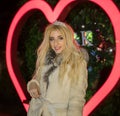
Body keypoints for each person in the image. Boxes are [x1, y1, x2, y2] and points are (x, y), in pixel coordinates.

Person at [27, 21, 88, 116]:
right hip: (37, 111)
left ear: (67, 39)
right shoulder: (45, 58)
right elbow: (36, 79)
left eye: (60, 38)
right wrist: (33, 85)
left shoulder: (77, 63)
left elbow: (76, 100)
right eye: (52, 39)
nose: (56, 43)